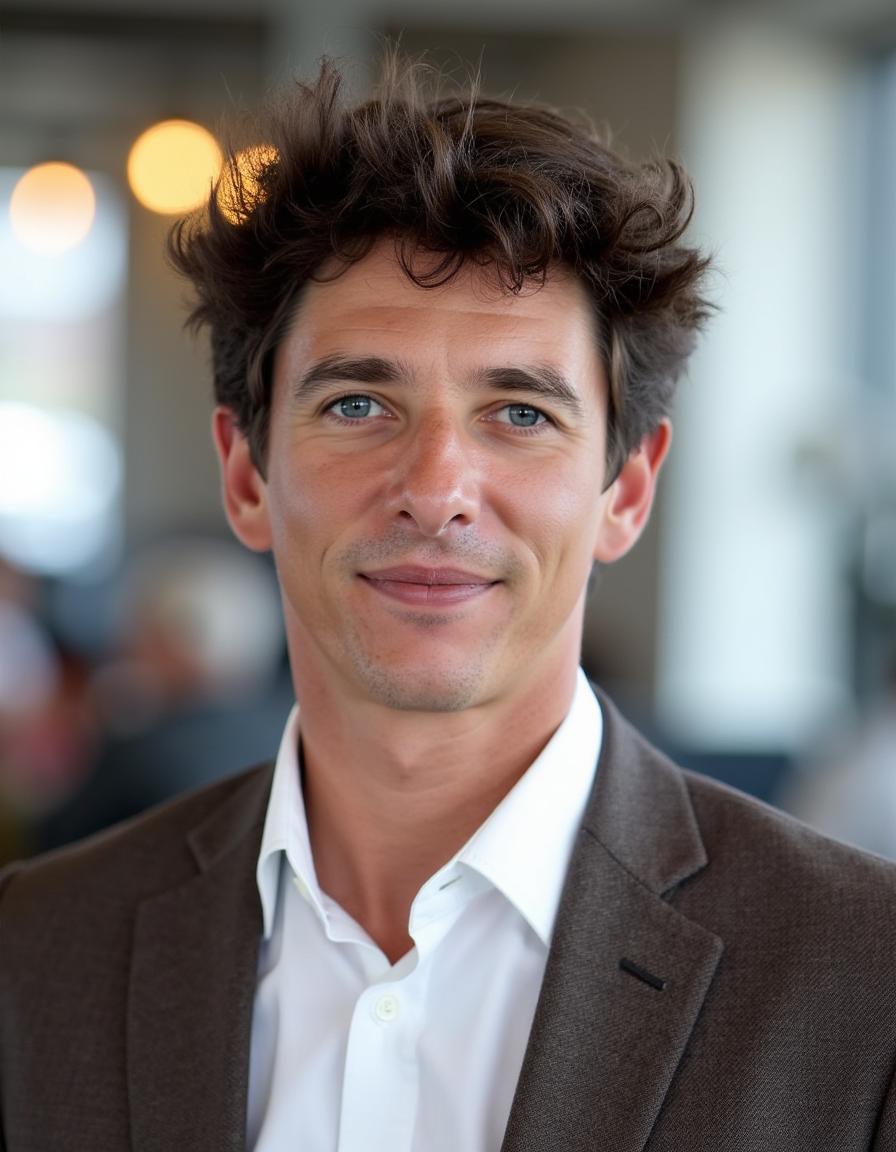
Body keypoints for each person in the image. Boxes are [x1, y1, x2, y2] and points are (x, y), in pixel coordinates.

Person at [3, 57, 896, 1152]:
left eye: (519, 414)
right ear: (245, 476)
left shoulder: (866, 982)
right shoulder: (34, 957)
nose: (434, 490)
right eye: (358, 403)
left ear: (625, 490)